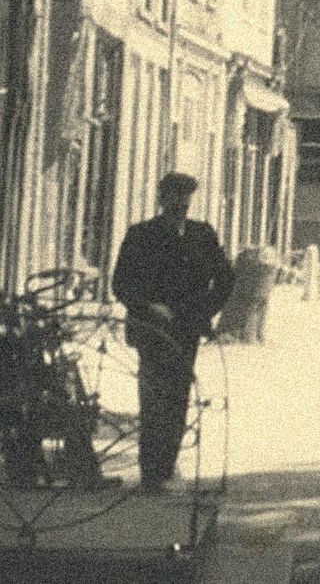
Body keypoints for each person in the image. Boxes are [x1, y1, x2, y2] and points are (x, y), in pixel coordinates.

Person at [111, 172, 235, 492]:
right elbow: (121, 283)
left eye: (185, 199)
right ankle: (151, 472)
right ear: (161, 200)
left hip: (186, 330)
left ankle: (166, 465)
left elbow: (225, 279)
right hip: (152, 328)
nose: (179, 204)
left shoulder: (201, 235)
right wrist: (148, 306)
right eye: (173, 198)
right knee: (152, 397)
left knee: (178, 396)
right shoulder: (141, 235)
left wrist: (203, 312)